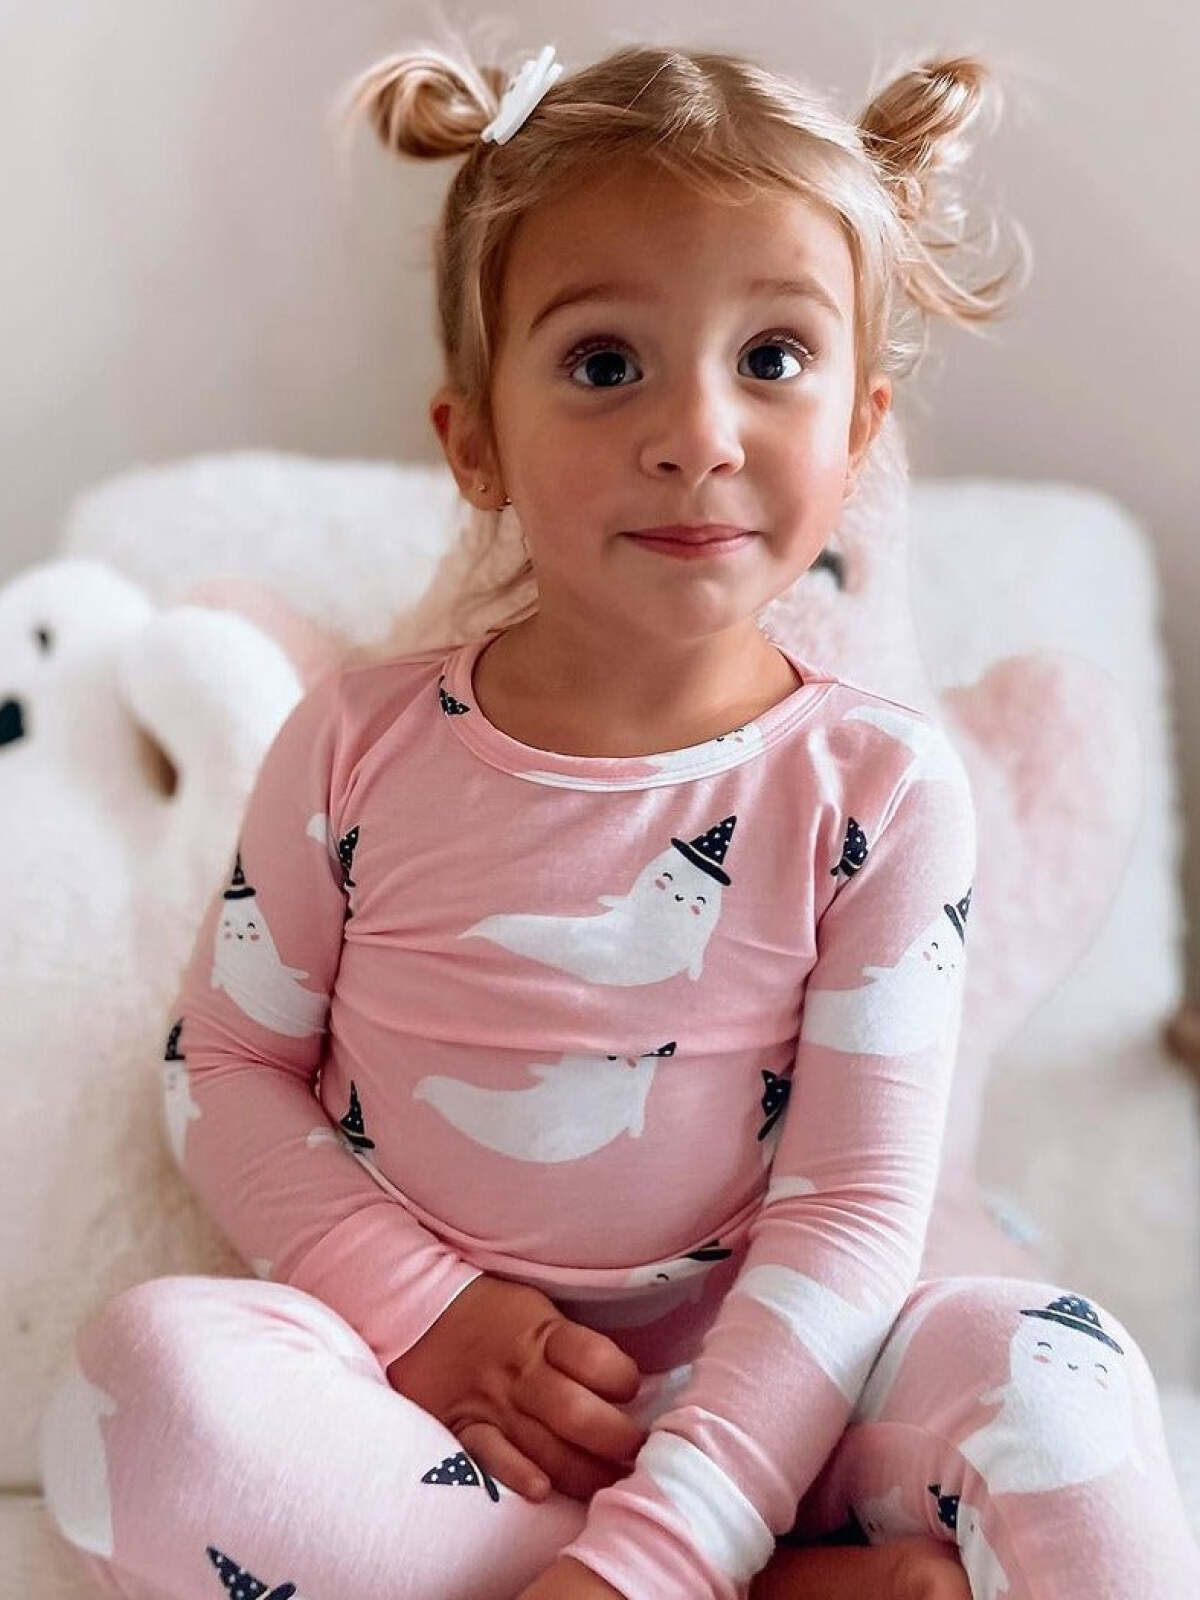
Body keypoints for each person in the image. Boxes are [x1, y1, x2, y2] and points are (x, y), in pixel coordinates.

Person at [38, 29, 1200, 1600]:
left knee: (1070, 1383)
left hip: (796, 1398)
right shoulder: (354, 746)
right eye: (605, 364)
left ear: (857, 440)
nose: (698, 432)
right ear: (478, 447)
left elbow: (858, 1210)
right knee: (142, 1398)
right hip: (439, 1418)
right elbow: (228, 1064)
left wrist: (682, 1533)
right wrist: (425, 1312)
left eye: (774, 360)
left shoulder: (881, 787)